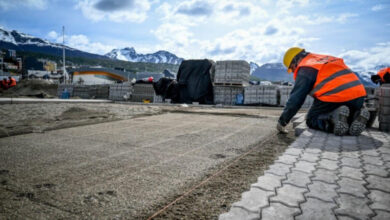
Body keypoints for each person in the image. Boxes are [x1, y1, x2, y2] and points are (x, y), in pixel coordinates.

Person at [277, 47, 369, 136]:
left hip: (336, 96)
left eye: (292, 68)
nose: (293, 71)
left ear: (295, 60)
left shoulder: (306, 67)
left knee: (311, 119)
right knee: (344, 114)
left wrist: (282, 121)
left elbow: (296, 99)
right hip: (359, 96)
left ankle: (332, 118)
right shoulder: (326, 58)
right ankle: (355, 116)